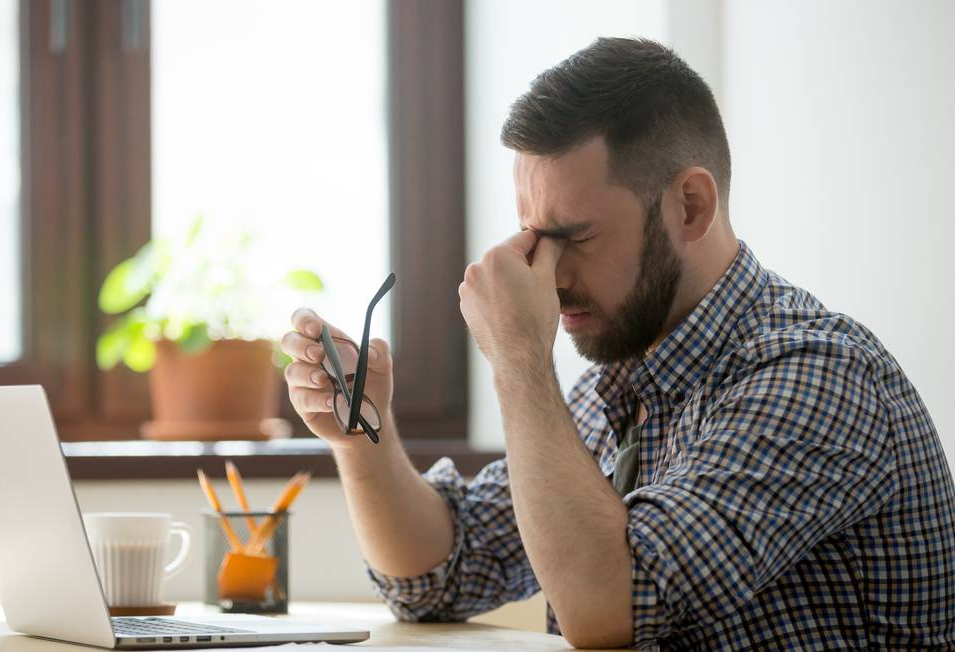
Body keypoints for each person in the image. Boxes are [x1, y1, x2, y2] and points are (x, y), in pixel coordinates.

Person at [280, 37, 955, 650]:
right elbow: (439, 575)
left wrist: (519, 359)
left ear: (690, 206)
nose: (549, 275)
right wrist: (358, 437)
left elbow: (611, 610)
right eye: (533, 238)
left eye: (574, 237)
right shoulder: (620, 379)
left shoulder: (814, 377)